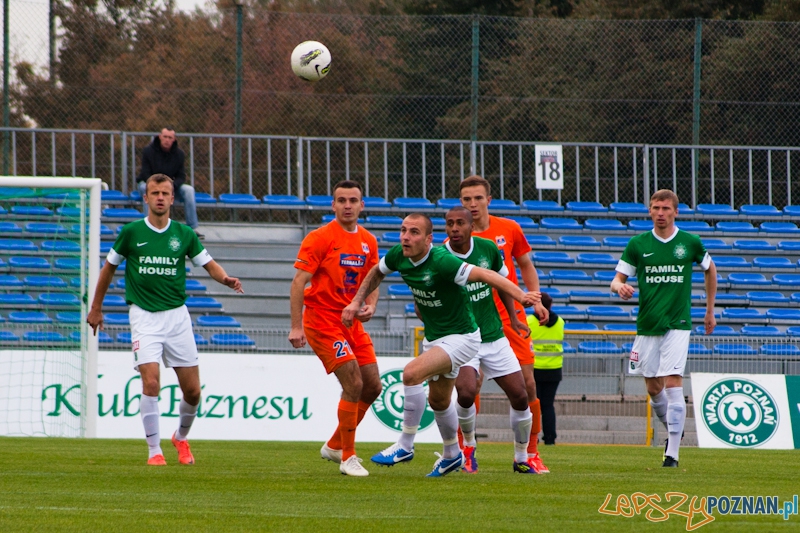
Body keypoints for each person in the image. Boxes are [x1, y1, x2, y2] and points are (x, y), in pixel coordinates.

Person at [344, 213, 540, 477]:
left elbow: (489, 276)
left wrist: (522, 296)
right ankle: (452, 454)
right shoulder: (399, 254)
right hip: (436, 338)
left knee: (411, 374)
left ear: (428, 240)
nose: (406, 236)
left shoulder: (443, 261)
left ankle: (405, 445)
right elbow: (376, 272)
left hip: (464, 337)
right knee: (439, 400)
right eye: (403, 230)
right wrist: (357, 301)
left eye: (414, 232)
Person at [87, 173, 243, 466]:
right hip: (144, 316)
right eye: (154, 192)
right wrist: (96, 308)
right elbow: (108, 268)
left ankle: (180, 438)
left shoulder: (183, 234)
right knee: (151, 382)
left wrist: (226, 279)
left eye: (165, 193)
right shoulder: (131, 232)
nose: (160, 197)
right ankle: (154, 451)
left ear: (173, 199)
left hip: (177, 318)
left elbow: (208, 264)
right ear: (146, 198)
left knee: (193, 392)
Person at [611, 189, 717, 468]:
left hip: (678, 322)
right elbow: (616, 278)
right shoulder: (638, 243)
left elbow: (710, 268)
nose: (661, 213)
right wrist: (620, 286)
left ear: (676, 212)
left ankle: (672, 453)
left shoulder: (689, 242)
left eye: (666, 208)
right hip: (648, 324)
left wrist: (709, 309)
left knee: (673, 382)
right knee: (653, 387)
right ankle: (673, 426)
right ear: (649, 211)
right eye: (656, 208)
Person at [288, 180, 382, 477]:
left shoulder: (368, 240)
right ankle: (348, 456)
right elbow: (298, 282)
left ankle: (334, 444)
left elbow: (374, 276)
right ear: (333, 205)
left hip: (351, 321)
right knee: (353, 383)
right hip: (322, 321)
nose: (347, 205)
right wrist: (295, 327)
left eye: (353, 200)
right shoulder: (320, 237)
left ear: (361, 205)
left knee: (374, 386)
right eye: (341, 200)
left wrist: (370, 304)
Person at [460, 175, 550, 473]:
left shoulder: (509, 229)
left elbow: (525, 265)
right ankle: (465, 451)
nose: (472, 204)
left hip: (510, 318)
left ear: (489, 200)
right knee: (469, 388)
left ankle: (530, 453)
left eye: (477, 198)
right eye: (466, 199)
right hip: (473, 320)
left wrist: (535, 301)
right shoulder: (457, 237)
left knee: (527, 385)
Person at [445, 207, 540, 474]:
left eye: (460, 223)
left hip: (494, 336)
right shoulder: (441, 256)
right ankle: (468, 449)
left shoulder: (488, 249)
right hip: (463, 339)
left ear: (470, 226)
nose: (454, 228)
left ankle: (522, 457)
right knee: (465, 392)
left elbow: (502, 284)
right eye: (450, 223)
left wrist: (514, 319)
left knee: (520, 396)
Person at [137, 127, 202, 239]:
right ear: (160, 137)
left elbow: (181, 176)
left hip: (170, 187)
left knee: (189, 190)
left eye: (170, 137)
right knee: (144, 187)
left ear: (174, 139)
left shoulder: (179, 154)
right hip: (151, 185)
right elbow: (145, 173)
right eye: (165, 137)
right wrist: (157, 185)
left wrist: (171, 186)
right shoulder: (148, 151)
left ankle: (192, 228)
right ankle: (149, 226)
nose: (167, 140)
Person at [528, 293, 564, 446]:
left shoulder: (529, 321)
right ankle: (550, 437)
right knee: (548, 405)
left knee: (533, 404)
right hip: (554, 368)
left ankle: (531, 437)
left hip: (534, 369)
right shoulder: (560, 322)